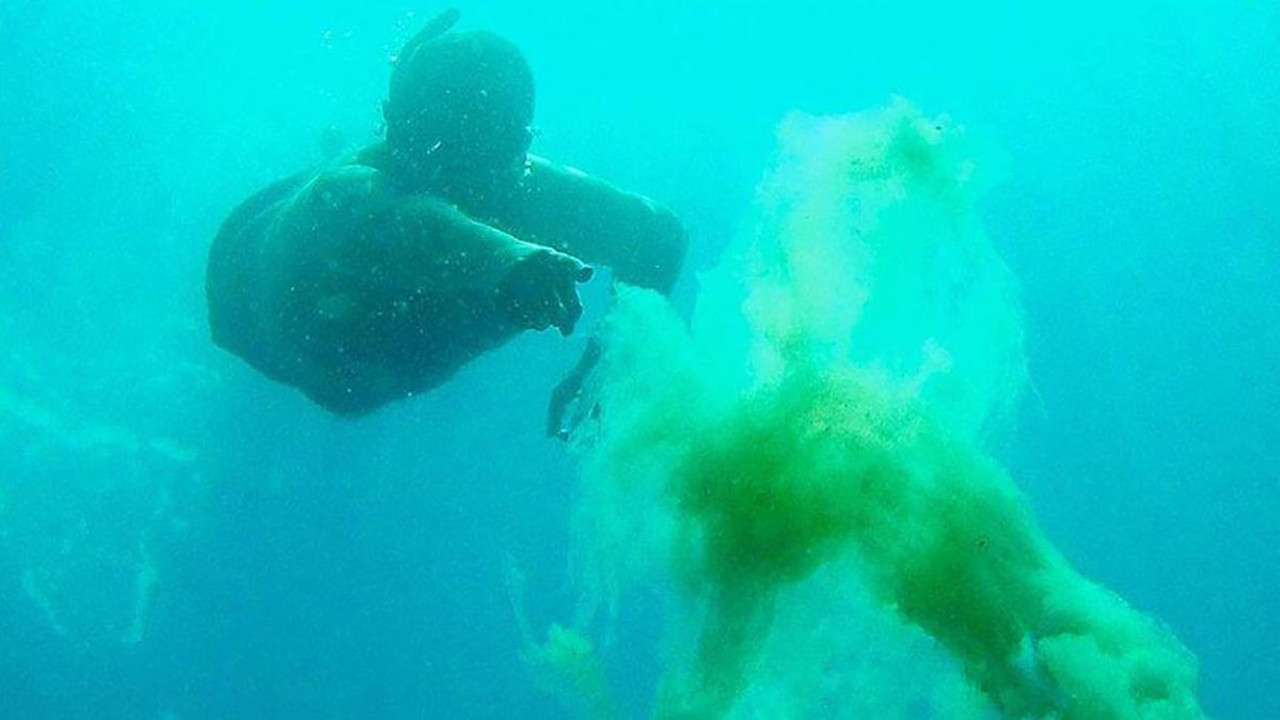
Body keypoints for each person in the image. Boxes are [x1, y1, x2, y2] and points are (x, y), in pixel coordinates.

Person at [206, 9, 686, 433]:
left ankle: (393, 86)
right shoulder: (343, 196)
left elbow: (659, 236)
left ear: (520, 142)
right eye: (440, 147)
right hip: (249, 298)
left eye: (482, 145)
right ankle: (346, 133)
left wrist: (608, 367)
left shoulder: (533, 195)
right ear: (394, 127)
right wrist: (507, 260)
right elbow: (396, 222)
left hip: (357, 357)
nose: (458, 177)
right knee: (346, 189)